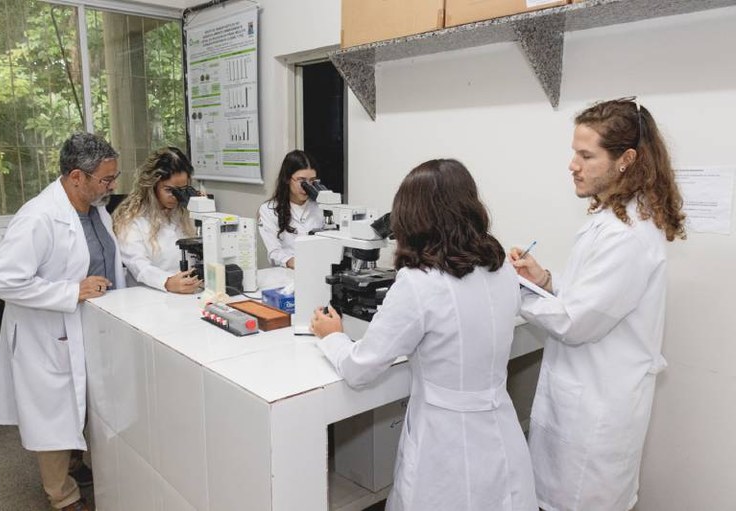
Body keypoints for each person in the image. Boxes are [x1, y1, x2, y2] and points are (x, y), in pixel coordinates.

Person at [311, 159, 538, 511]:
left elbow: (360, 369)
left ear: (413, 218)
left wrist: (331, 337)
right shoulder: (503, 269)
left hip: (443, 444)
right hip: (499, 430)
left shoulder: (419, 283)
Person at [509, 98, 686, 511]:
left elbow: (576, 323)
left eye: (586, 155)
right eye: (575, 152)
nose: (573, 164)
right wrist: (545, 281)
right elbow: (589, 299)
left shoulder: (627, 235)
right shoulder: (615, 218)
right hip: (583, 399)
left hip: (596, 416)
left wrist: (508, 288)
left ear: (626, 159)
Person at [0, 132, 126, 511]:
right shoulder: (38, 217)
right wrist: (71, 291)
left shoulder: (95, 209)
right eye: (106, 179)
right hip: (46, 335)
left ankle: (77, 462)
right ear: (76, 176)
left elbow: (112, 257)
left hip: (87, 326)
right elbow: (3, 280)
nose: (112, 187)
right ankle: (61, 496)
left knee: (82, 405)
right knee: (53, 416)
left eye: (114, 178)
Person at [112, 147, 201, 293]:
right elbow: (138, 265)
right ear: (152, 186)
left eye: (182, 189)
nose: (176, 196)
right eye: (169, 190)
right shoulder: (131, 218)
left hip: (188, 293)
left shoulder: (184, 213)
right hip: (149, 297)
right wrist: (166, 282)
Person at [258, 150, 325, 269]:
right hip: (287, 273)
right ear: (288, 179)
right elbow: (274, 252)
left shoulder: (322, 206)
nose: (307, 187)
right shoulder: (269, 210)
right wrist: (292, 261)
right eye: (301, 181)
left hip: (320, 268)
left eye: (312, 181)